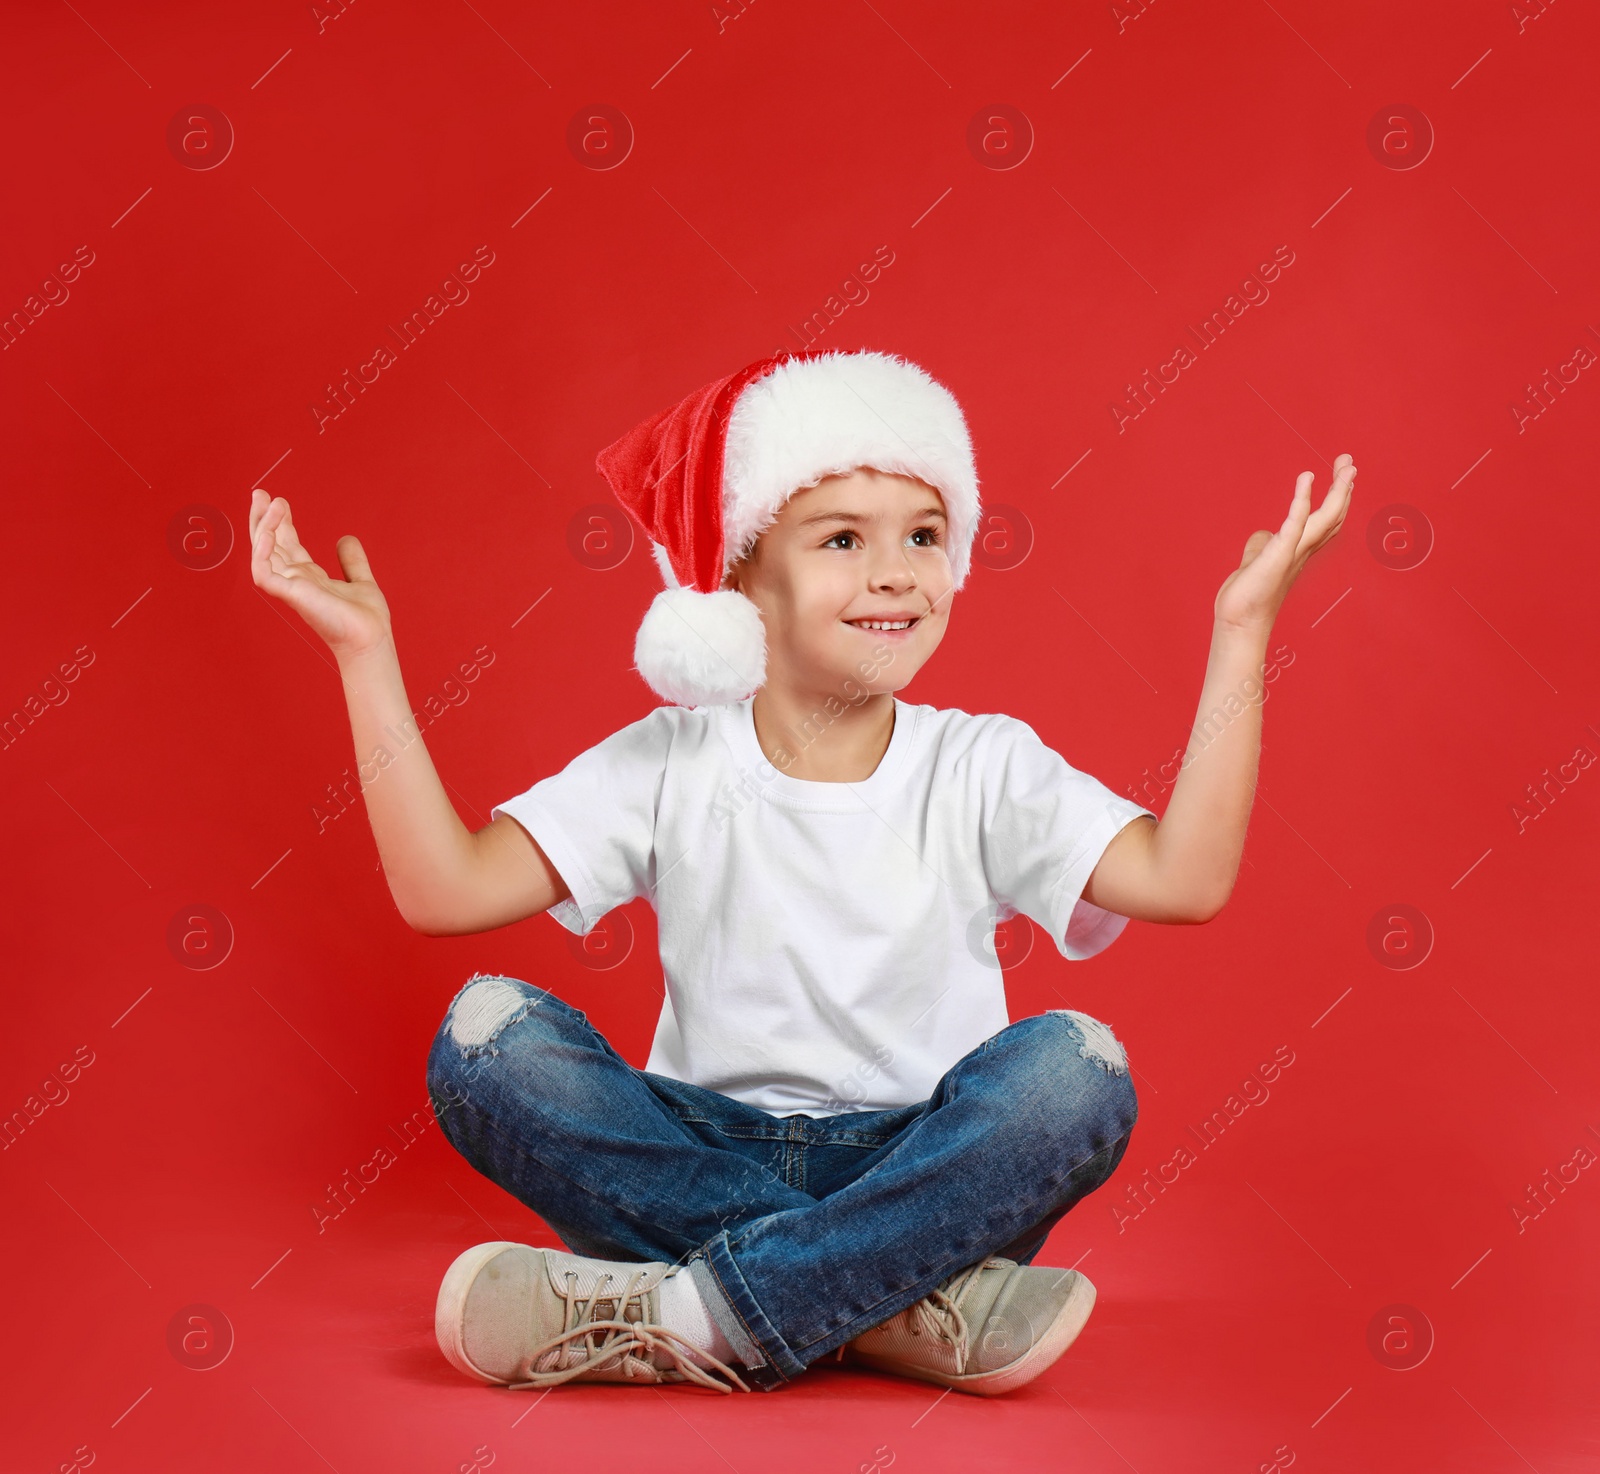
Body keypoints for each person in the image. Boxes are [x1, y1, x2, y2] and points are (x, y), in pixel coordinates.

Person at [249, 347, 1354, 1397]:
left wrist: (1242, 630)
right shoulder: (670, 759)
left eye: (925, 534)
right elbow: (446, 892)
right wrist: (364, 657)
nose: (896, 574)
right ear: (740, 578)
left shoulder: (980, 761)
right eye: (839, 541)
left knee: (1076, 1070)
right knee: (488, 1038)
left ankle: (689, 1316)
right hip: (696, 1152)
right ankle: (890, 1305)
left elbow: (1184, 877)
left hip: (926, 1157)